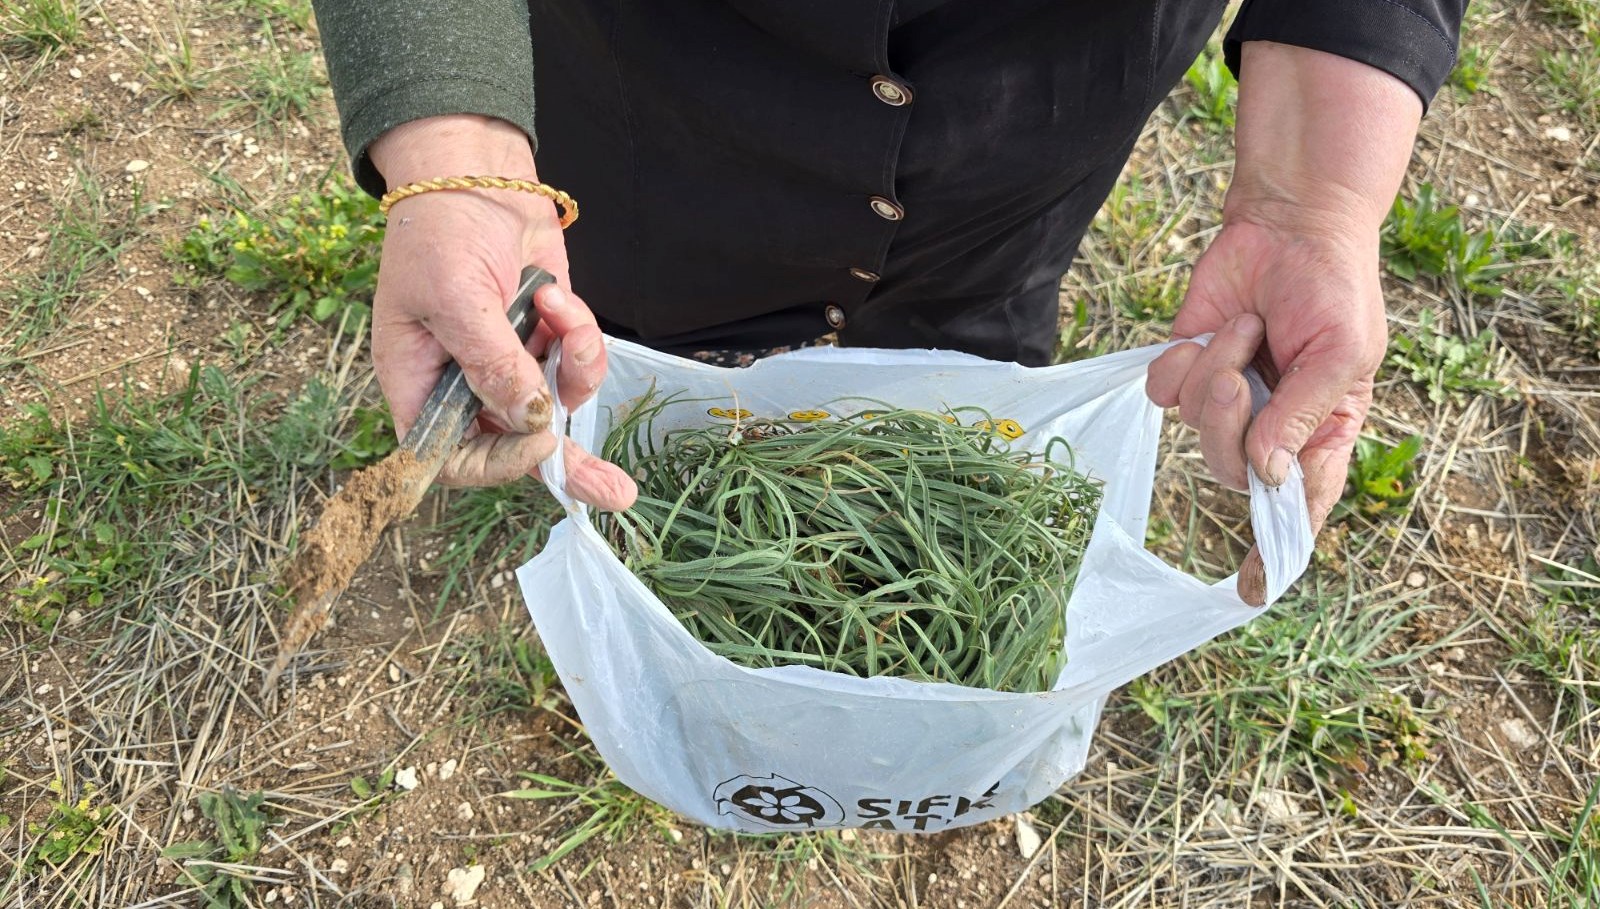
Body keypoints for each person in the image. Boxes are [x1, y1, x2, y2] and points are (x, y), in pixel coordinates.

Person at [311, 0, 1465, 603]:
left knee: (964, 356)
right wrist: (460, 163)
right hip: (660, 93)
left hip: (1035, 108)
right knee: (650, 387)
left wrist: (1313, 202)